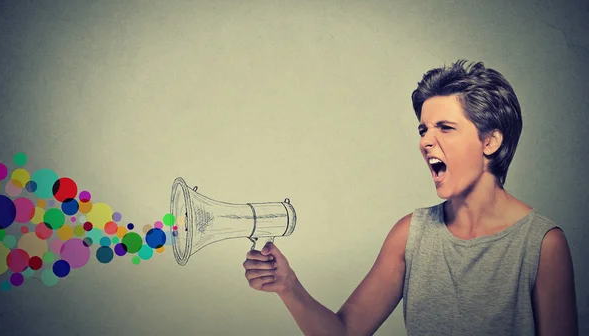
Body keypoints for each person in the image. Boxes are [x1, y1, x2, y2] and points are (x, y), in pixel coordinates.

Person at [243, 60, 578, 336]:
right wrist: (288, 286)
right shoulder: (410, 234)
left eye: (445, 127)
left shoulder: (542, 244)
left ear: (489, 142)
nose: (426, 141)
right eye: (423, 130)